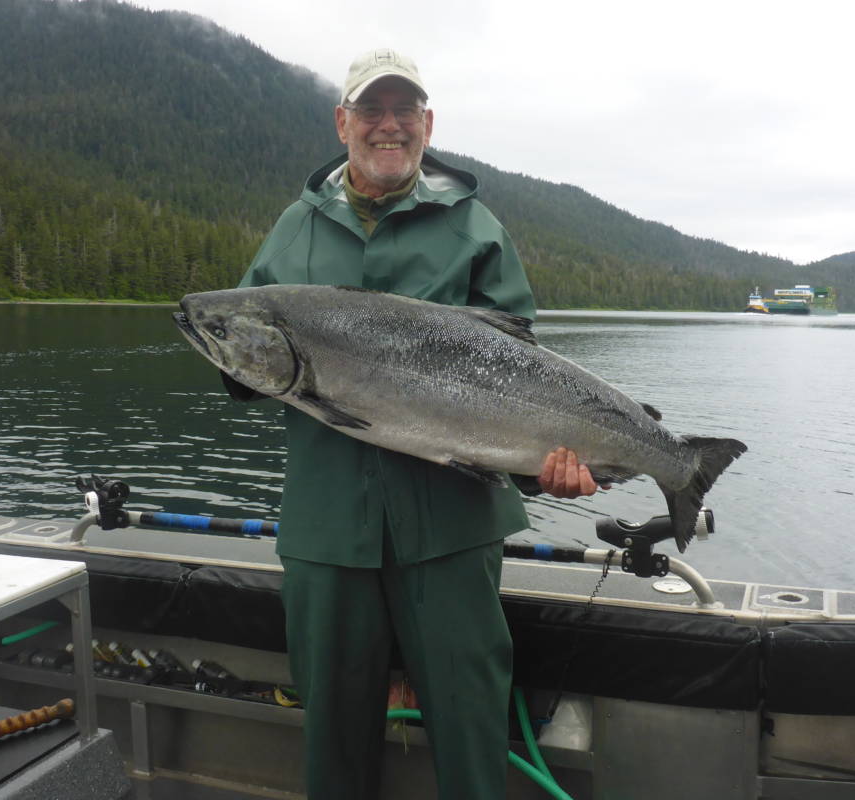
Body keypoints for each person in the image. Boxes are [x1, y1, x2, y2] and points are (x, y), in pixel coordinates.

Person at [234, 47, 600, 799]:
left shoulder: (475, 228)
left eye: (405, 112)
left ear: (428, 125)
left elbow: (522, 368)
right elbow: (241, 352)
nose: (388, 126)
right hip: (328, 527)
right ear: (343, 123)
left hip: (453, 527)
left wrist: (548, 462)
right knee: (333, 730)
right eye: (372, 110)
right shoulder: (291, 233)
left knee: (470, 724)